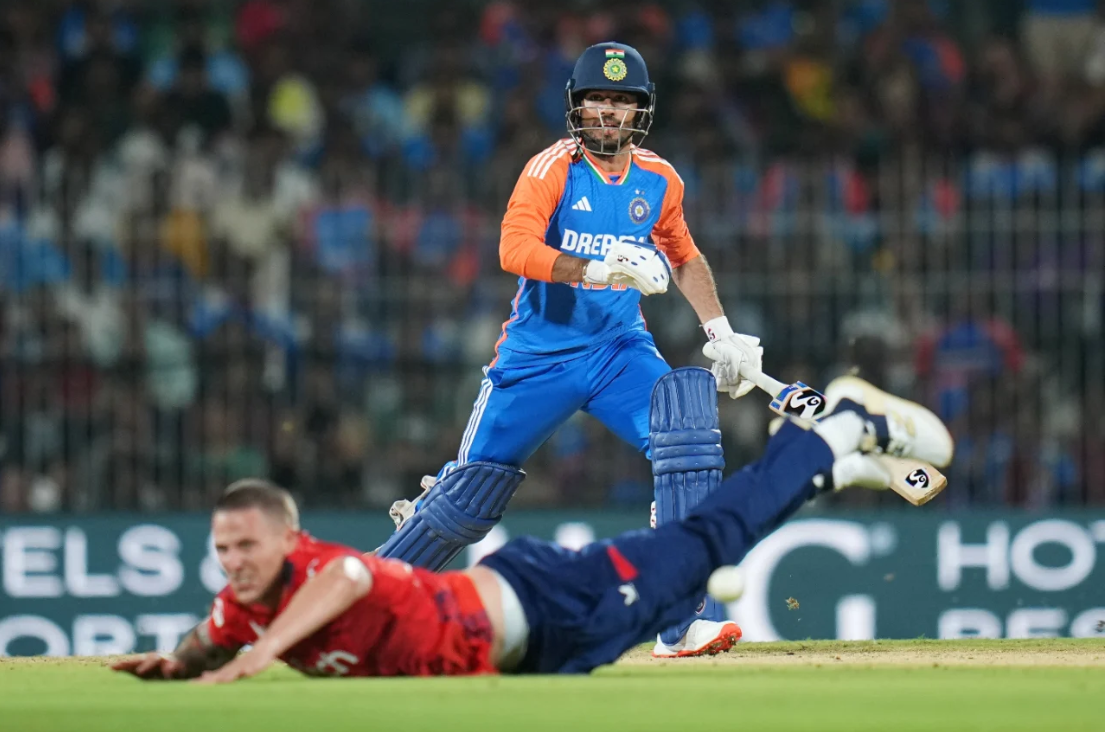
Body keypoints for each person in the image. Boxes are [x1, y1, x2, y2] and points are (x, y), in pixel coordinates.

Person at [112, 368, 953, 682]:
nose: (234, 565)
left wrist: (257, 658)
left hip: (548, 602)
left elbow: (355, 577)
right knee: (697, 562)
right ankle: (835, 467)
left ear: (289, 539)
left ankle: (830, 430)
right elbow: (205, 639)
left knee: (705, 543)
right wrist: (175, 664)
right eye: (223, 551)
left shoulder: (316, 572)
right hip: (546, 651)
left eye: (247, 546)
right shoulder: (245, 608)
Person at [373, 41, 763, 659]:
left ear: (642, 112)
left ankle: (685, 622)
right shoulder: (552, 167)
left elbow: (683, 256)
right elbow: (512, 247)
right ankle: (359, 608)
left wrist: (721, 330)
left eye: (622, 102)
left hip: (618, 351)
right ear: (576, 108)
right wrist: (595, 269)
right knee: (464, 503)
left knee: (687, 437)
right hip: (535, 360)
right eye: (596, 100)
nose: (608, 112)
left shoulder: (660, 179)